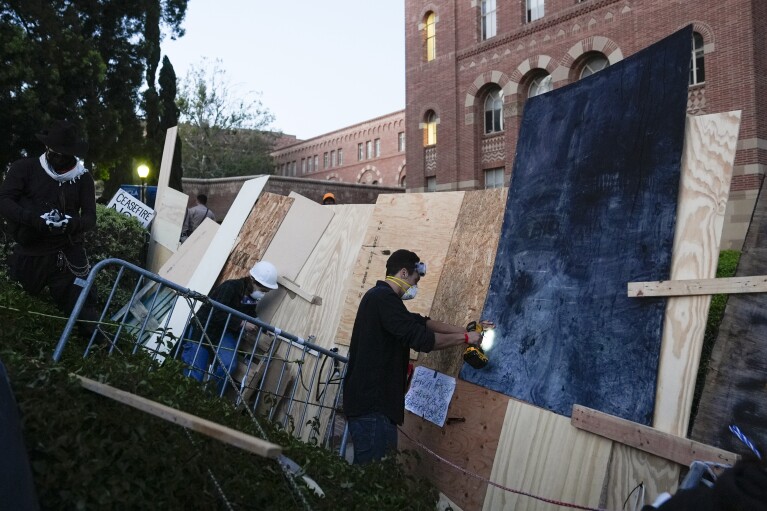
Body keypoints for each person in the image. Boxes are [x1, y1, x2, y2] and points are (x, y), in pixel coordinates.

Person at [342, 249, 491, 464]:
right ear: (403, 273)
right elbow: (423, 339)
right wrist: (466, 339)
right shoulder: (384, 299)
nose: (415, 286)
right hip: (373, 407)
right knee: (374, 479)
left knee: (373, 479)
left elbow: (423, 322)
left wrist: (464, 330)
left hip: (370, 406)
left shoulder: (380, 299)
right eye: (415, 279)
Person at [0, 119, 99, 339]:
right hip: (30, 250)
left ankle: (93, 350)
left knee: (84, 311)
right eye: (55, 152)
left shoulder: (83, 178)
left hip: (69, 253)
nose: (59, 158)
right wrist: (35, 220)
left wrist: (70, 223)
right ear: (47, 148)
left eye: (65, 154)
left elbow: (90, 218)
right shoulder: (24, 168)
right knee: (15, 308)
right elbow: (5, 200)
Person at [180, 260, 279, 394]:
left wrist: (261, 325)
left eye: (266, 292)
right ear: (252, 280)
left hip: (223, 332)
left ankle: (209, 398)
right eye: (262, 290)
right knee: (195, 375)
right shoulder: (230, 287)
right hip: (203, 329)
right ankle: (185, 401)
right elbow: (216, 313)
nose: (263, 294)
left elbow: (249, 313)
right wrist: (242, 323)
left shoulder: (250, 296)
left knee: (228, 364)